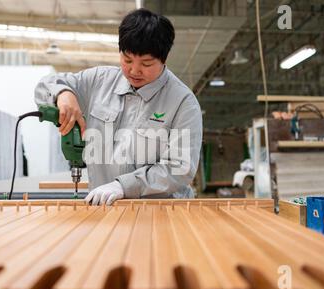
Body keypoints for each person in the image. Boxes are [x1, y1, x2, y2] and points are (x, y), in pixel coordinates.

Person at [35, 8, 202, 205]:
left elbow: (180, 168)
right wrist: (63, 93)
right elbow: (45, 85)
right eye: (127, 59)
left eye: (146, 64)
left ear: (163, 59)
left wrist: (124, 186)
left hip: (162, 212)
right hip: (105, 208)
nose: (134, 70)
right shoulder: (99, 81)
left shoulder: (183, 102)